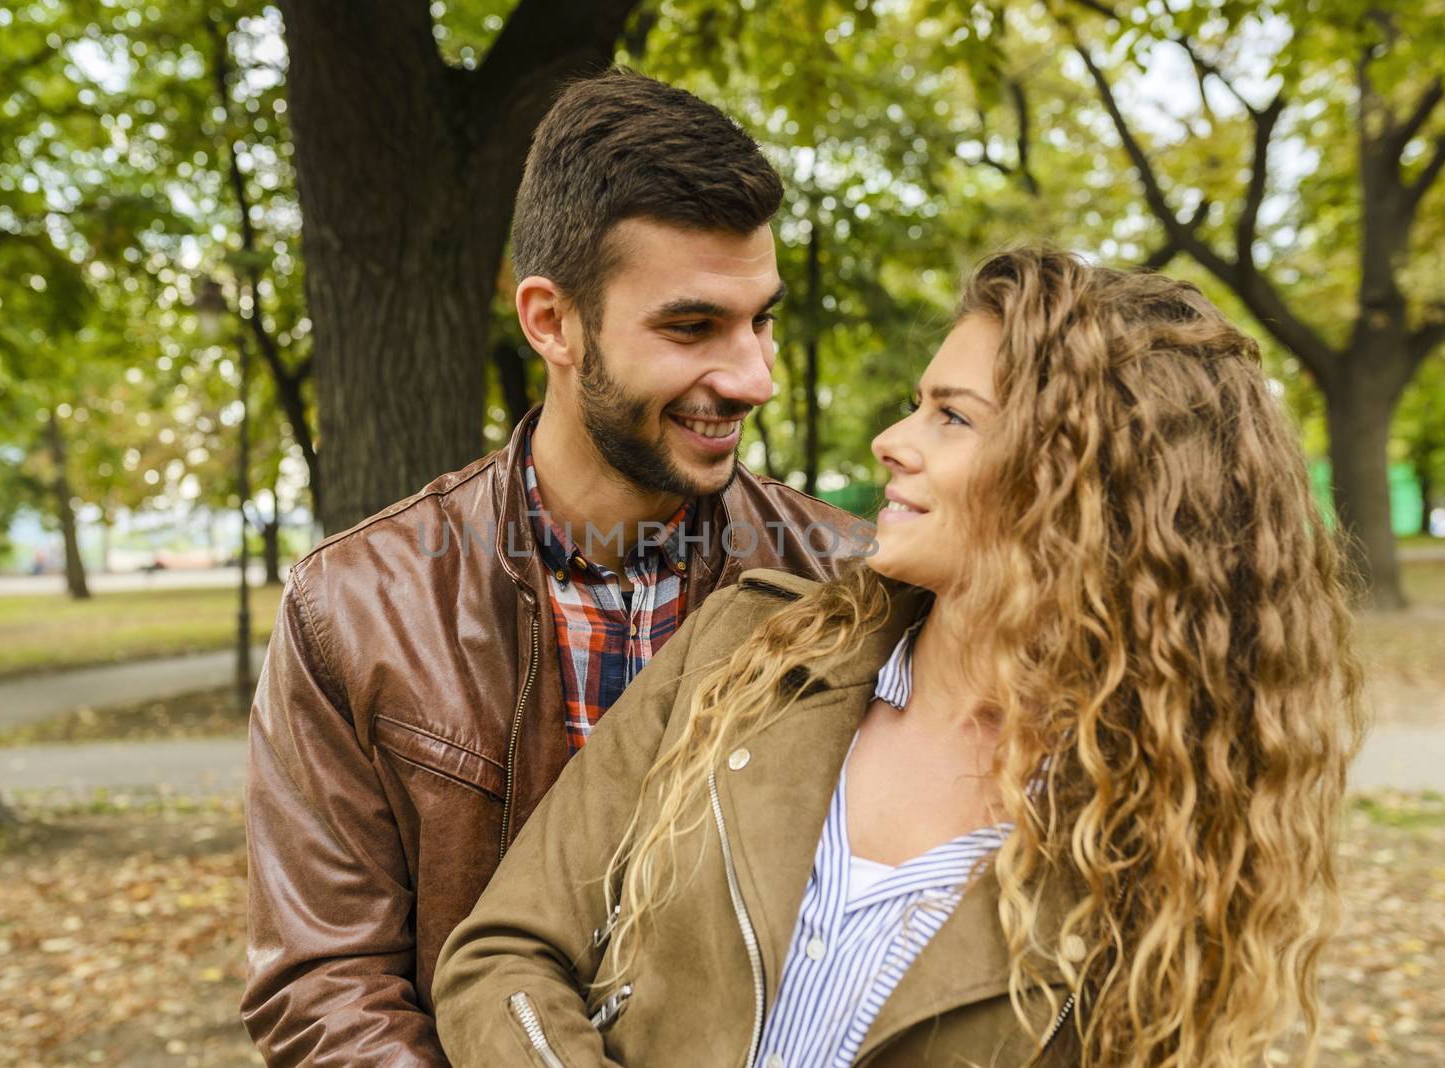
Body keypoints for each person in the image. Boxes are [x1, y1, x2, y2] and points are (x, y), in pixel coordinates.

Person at [432, 248, 1366, 1067]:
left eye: (951, 418)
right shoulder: (741, 654)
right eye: (917, 406)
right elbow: (505, 957)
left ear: (1090, 485)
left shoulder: (1164, 827)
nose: (891, 441)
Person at [240, 69, 864, 1065]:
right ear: (550, 322)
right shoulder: (351, 610)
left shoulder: (848, 583)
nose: (754, 376)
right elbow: (325, 988)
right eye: (692, 326)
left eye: (762, 319)